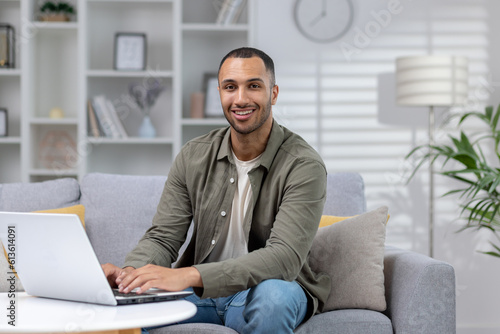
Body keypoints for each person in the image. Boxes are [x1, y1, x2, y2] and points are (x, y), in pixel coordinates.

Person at [102, 47, 330, 333]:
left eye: (254, 86)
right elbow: (163, 237)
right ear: (220, 93)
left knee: (275, 297)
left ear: (273, 94)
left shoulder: (303, 165)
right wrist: (130, 274)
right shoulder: (193, 156)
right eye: (230, 87)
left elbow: (283, 257)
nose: (241, 99)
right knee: (128, 305)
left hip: (262, 291)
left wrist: (190, 275)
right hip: (200, 295)